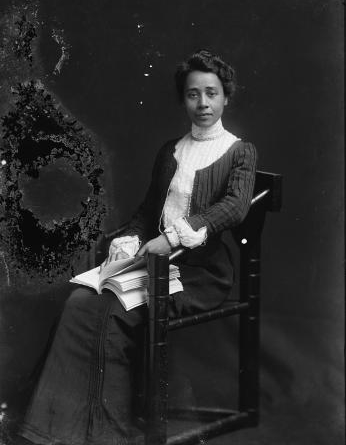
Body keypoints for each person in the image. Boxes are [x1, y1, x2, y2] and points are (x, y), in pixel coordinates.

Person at [18, 49, 257, 445]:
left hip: (201, 273)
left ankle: (105, 432)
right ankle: (56, 427)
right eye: (193, 94)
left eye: (211, 94)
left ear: (226, 97)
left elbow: (233, 207)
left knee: (113, 311)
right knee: (79, 303)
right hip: (156, 260)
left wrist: (175, 236)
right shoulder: (171, 151)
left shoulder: (240, 151)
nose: (203, 104)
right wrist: (128, 239)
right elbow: (148, 212)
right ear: (183, 99)